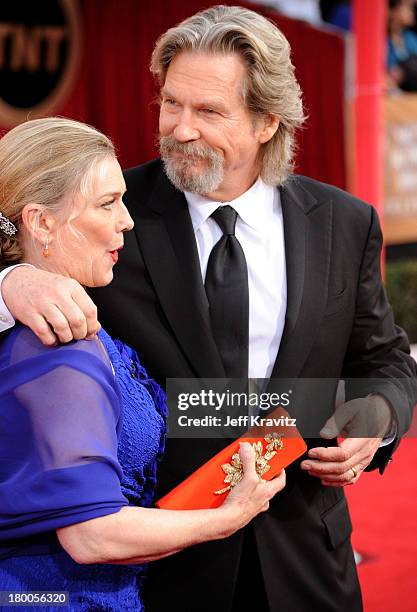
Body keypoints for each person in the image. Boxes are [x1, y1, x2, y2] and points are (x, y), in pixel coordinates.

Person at [0, 5, 415, 611]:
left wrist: (377, 419)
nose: (180, 129)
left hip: (308, 561)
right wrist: (11, 280)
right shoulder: (106, 209)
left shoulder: (344, 224)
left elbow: (386, 361)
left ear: (268, 121)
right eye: (171, 103)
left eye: (209, 111)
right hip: (156, 571)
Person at [0, 117, 285, 612]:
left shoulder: (72, 320)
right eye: (108, 203)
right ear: (42, 222)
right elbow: (90, 536)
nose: (128, 220)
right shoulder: (58, 343)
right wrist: (229, 517)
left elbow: (163, 408)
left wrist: (336, 407)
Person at [387, 0, 417, 91]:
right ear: (393, 11)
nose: (412, 13)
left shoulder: (410, 38)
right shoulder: (383, 40)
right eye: (407, 8)